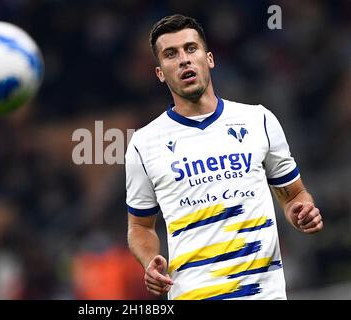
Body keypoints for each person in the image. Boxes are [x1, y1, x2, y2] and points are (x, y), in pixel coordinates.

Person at [125, 14, 323, 300]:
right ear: (160, 73)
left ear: (210, 59)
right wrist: (149, 262)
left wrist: (302, 211)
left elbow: (294, 195)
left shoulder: (259, 120)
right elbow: (140, 226)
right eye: (171, 54)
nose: (183, 60)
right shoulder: (144, 143)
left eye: (190, 49)